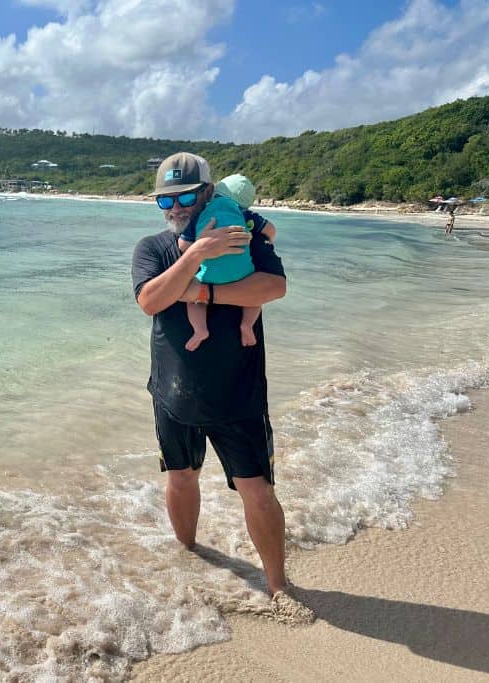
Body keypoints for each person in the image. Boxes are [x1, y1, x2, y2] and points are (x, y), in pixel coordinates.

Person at [132, 152, 311, 620]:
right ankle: (188, 554)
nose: (175, 208)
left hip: (240, 394)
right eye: (165, 201)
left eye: (185, 196)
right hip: (173, 394)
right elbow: (151, 300)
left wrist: (201, 292)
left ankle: (279, 587)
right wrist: (195, 255)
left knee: (258, 490)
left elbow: (272, 288)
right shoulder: (153, 248)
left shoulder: (244, 236)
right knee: (180, 477)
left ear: (208, 192)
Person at [177, 174, 277, 350]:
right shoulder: (245, 214)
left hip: (208, 275)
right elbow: (271, 230)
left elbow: (183, 244)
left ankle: (200, 329)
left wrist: (200, 244)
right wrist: (262, 239)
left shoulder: (203, 213)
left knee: (194, 300)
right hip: (242, 274)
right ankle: (246, 326)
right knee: (254, 299)